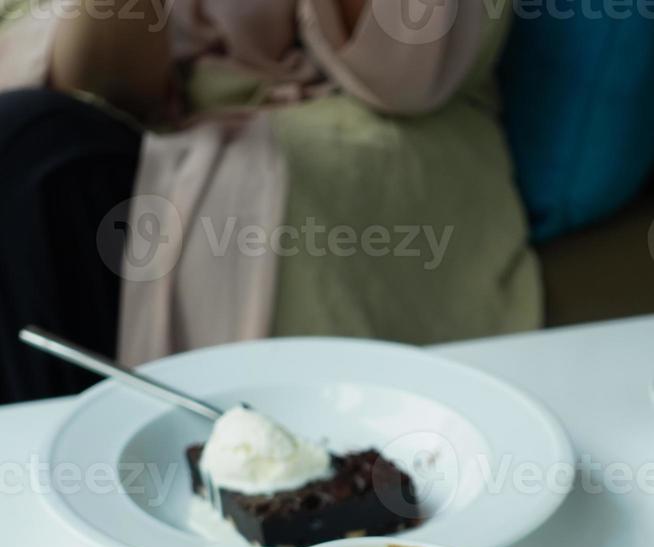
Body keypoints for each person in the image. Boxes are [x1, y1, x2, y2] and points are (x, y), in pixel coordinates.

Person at [0, 0, 540, 402]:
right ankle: (64, 496)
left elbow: (405, 76)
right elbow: (103, 88)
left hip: (365, 135)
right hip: (160, 142)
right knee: (27, 146)